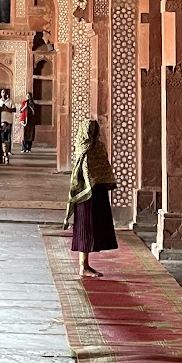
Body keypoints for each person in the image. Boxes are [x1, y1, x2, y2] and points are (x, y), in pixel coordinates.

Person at [66, 118, 118, 277]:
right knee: (84, 228)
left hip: (97, 191)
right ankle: (83, 265)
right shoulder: (84, 149)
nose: (94, 134)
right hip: (85, 194)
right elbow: (84, 172)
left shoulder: (97, 147)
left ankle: (85, 264)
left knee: (94, 228)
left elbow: (103, 166)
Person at [0, 92, 15, 163]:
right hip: (1, 121)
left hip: (9, 121)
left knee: (8, 137)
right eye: (2, 92)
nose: (4, 94)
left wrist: (7, 109)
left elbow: (14, 110)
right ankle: (2, 151)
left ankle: (8, 150)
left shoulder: (10, 101)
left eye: (5, 92)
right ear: (1, 94)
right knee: (2, 137)